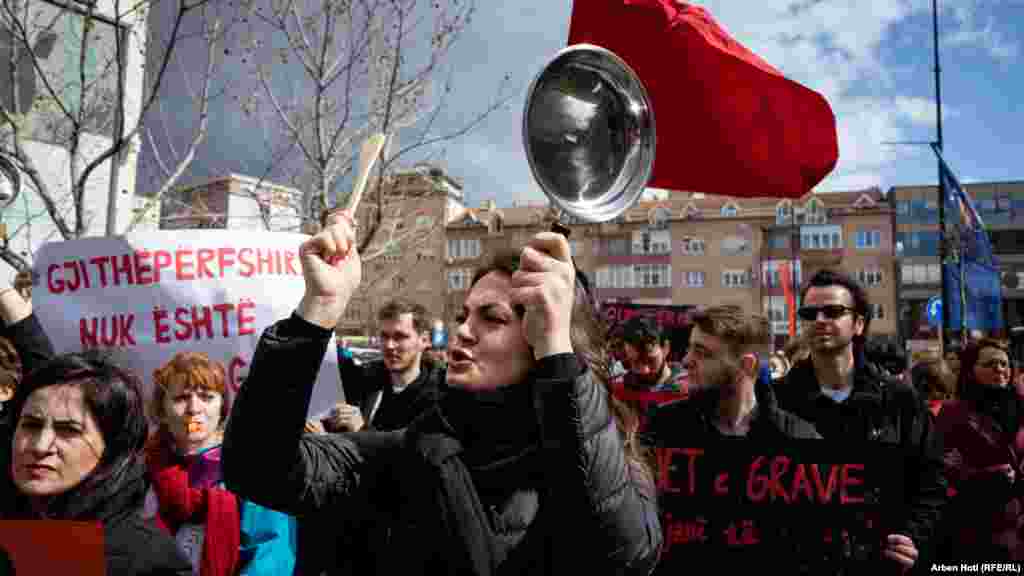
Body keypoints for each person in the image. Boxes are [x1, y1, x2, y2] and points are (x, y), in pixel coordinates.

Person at [222, 216, 662, 575]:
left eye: (492, 317)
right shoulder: (416, 450)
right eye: (463, 314)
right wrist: (317, 311)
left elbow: (622, 554)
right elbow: (257, 469)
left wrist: (559, 358)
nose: (463, 331)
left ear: (544, 337)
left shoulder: (612, 461)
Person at [773, 268, 946, 573]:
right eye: (810, 313)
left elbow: (931, 482)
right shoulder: (777, 400)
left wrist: (911, 536)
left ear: (859, 323)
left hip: (879, 563)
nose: (820, 320)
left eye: (834, 311)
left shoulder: (899, 399)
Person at [646, 305, 820, 572]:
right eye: (691, 348)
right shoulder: (661, 429)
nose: (686, 360)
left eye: (702, 353)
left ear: (746, 365)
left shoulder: (800, 442)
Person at [0, 349, 191, 575]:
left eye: (68, 430)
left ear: (112, 448)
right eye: (31, 425)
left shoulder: (147, 562)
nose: (40, 446)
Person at [143, 351, 298, 575]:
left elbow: (271, 555)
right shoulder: (143, 470)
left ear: (221, 408)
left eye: (206, 397)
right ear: (162, 411)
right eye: (180, 398)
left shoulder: (251, 468)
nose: (194, 409)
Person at [934, 338, 1023, 560]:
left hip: (1017, 529)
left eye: (1005, 363)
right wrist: (983, 476)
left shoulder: (1019, 407)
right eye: (990, 364)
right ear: (971, 370)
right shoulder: (953, 412)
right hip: (974, 529)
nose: (1000, 369)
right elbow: (941, 467)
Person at [326, 299, 444, 433]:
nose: (390, 345)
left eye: (400, 337)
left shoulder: (439, 398)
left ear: (424, 340)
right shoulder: (363, 380)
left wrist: (362, 429)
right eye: (384, 336)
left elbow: (413, 451)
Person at [611, 315, 689, 432]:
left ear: (666, 348)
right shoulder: (617, 392)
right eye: (635, 361)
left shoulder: (690, 390)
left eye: (651, 360)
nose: (644, 370)